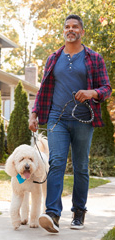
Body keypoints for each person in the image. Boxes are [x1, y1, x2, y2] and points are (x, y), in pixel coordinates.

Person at [29, 14, 112, 233]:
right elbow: (43, 89)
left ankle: (78, 212)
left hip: (83, 119)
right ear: (63, 30)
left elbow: (106, 88)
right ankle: (53, 214)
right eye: (67, 26)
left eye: (75, 27)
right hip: (57, 117)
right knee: (56, 162)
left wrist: (92, 92)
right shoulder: (53, 58)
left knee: (81, 167)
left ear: (82, 32)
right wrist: (34, 114)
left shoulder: (94, 58)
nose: (70, 29)